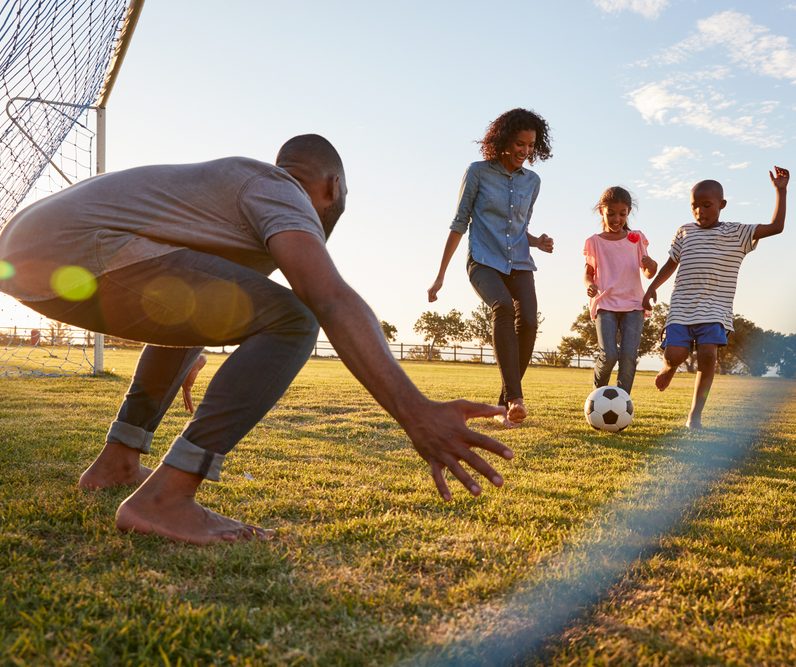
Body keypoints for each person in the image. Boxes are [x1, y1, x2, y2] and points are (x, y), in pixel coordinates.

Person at [0, 134, 515, 545]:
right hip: (77, 246)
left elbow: (184, 296)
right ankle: (165, 499)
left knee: (229, 310)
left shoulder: (236, 199)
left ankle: (117, 462)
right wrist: (416, 412)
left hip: (27, 254)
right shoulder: (278, 188)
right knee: (293, 319)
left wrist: (192, 342)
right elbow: (329, 298)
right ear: (332, 187)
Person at [427, 108, 554, 428]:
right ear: (503, 141)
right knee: (502, 308)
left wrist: (537, 241)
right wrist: (440, 274)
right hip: (483, 261)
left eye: (531, 145)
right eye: (520, 144)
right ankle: (516, 397)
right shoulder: (478, 172)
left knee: (528, 320)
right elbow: (459, 223)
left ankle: (505, 404)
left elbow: (516, 228)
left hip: (520, 263)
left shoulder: (532, 182)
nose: (525, 151)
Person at [643, 166, 789, 429]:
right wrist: (652, 287)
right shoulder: (685, 231)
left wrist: (781, 191)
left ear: (721, 204)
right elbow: (670, 263)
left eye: (707, 205)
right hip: (682, 308)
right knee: (675, 354)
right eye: (694, 206)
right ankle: (669, 367)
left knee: (708, 355)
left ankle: (695, 415)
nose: (700, 211)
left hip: (715, 310)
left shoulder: (737, 233)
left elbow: (776, 227)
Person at [584, 186, 657, 394]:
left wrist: (651, 264)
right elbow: (588, 273)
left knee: (628, 356)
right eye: (611, 214)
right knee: (609, 355)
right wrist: (590, 286)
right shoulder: (594, 242)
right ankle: (597, 398)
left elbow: (648, 273)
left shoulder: (636, 238)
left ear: (628, 212)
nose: (617, 219)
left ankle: (622, 400)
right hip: (605, 303)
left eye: (622, 214)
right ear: (601, 211)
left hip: (633, 304)